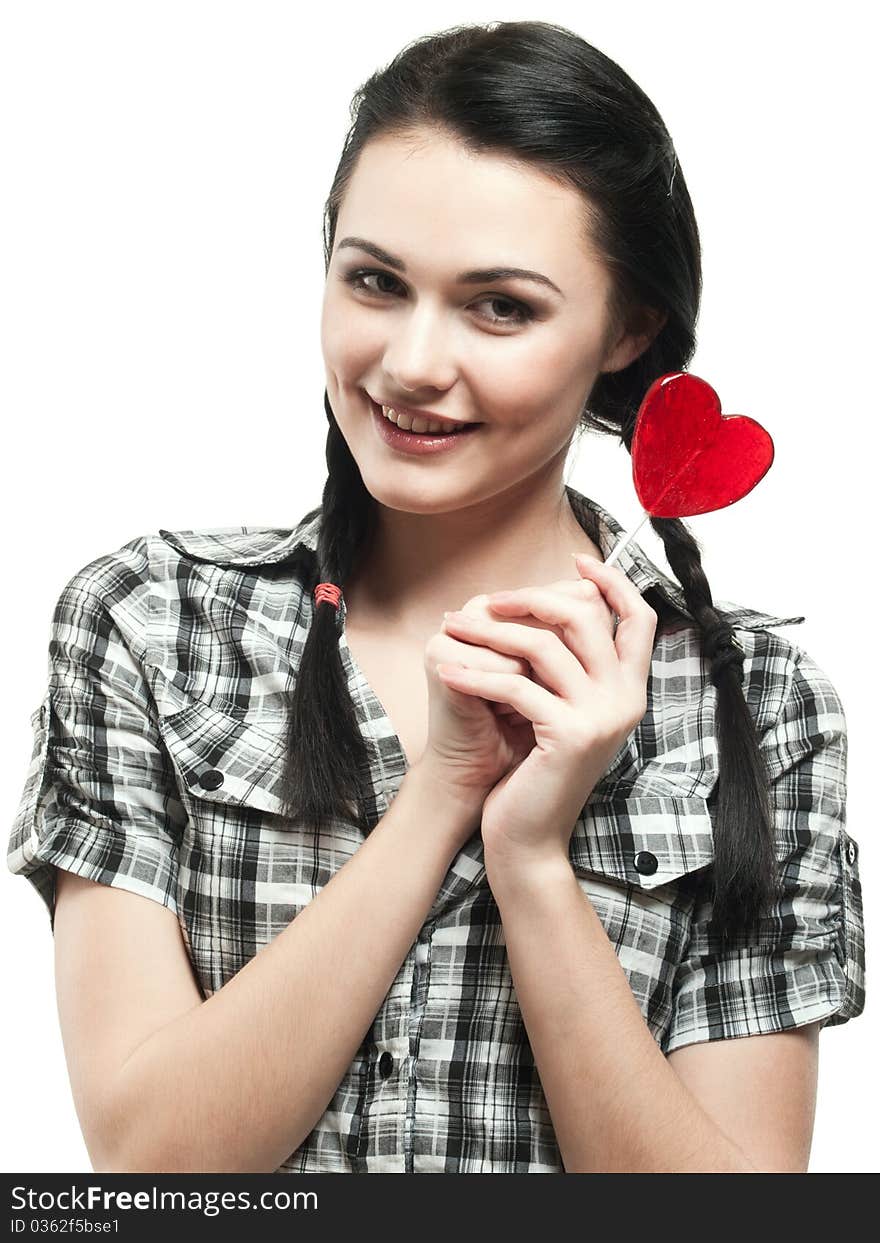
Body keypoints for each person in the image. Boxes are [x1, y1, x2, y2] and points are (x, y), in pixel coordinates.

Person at [7, 20, 865, 1174]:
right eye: (374, 281)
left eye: (499, 306)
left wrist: (533, 863)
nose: (411, 362)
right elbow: (155, 1173)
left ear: (628, 330)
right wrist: (444, 791)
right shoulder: (152, 625)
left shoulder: (752, 704)